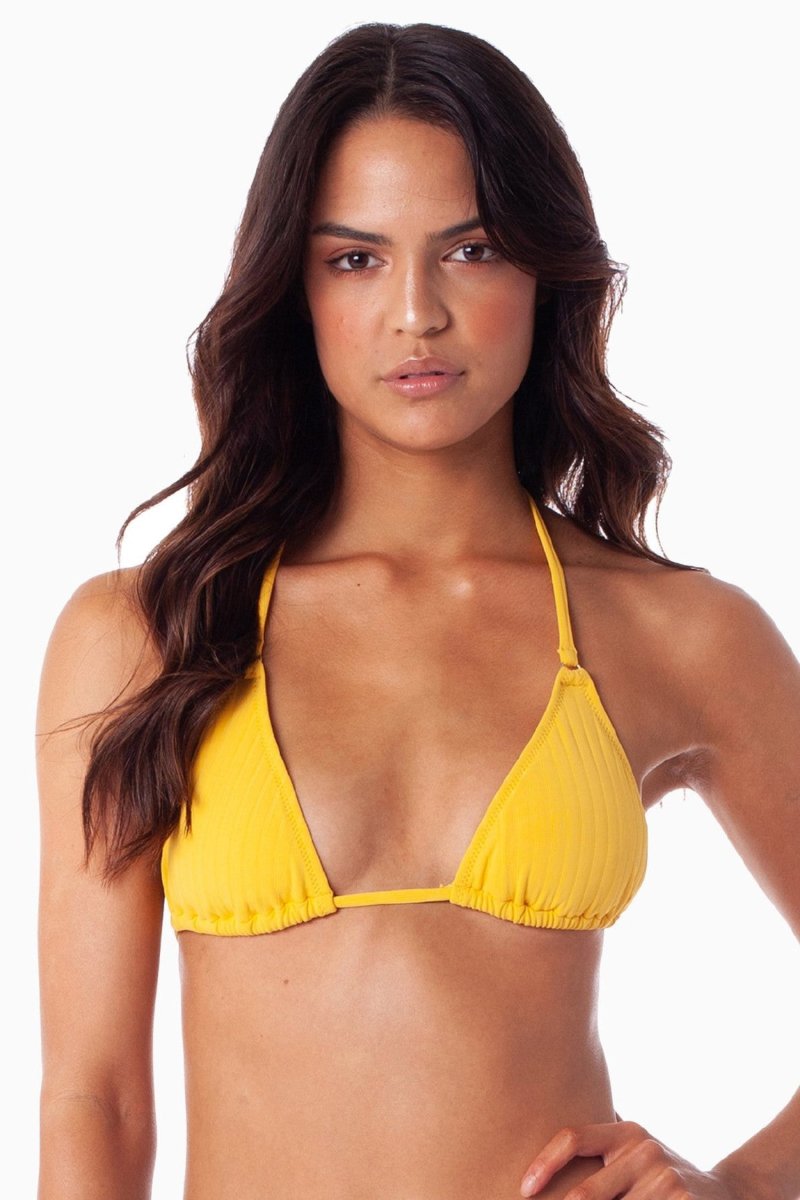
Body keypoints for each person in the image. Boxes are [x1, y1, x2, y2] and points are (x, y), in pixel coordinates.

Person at [36, 21, 799, 1200]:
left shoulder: (678, 634)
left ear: (544, 272)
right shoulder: (141, 635)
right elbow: (97, 1097)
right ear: (293, 288)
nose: (414, 314)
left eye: (470, 250)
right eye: (354, 259)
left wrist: (739, 1187)